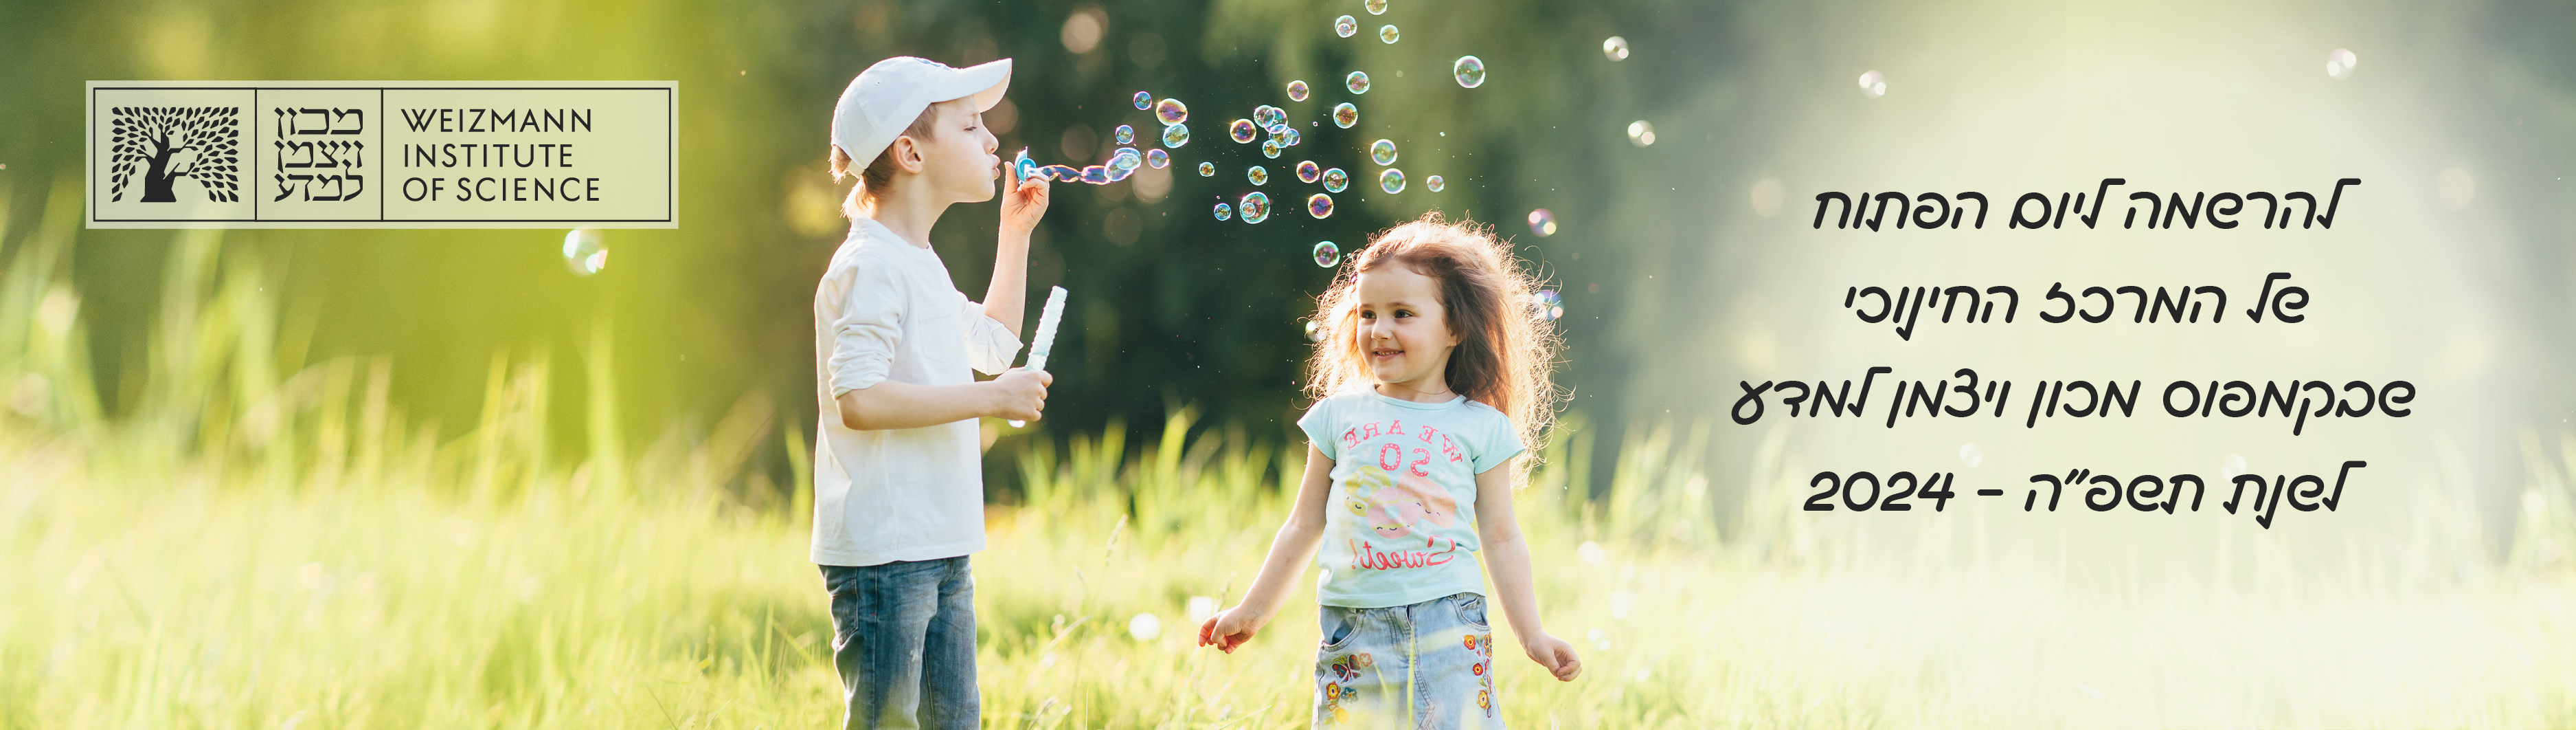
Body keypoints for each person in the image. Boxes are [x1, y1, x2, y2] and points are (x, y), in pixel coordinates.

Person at [1198, 213, 1581, 727]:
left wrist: (1531, 634)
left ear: (1455, 327)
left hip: (1450, 621)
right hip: (1353, 628)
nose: (1380, 330)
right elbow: (1304, 522)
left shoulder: (1482, 428)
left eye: (1402, 313)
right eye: (1367, 313)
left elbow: (1502, 535)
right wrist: (1252, 610)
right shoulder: (1337, 416)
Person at [811, 55, 1052, 730]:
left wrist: (1015, 234)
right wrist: (991, 400)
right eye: (972, 125)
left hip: (940, 541)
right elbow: (859, 399)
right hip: (887, 552)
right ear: (911, 151)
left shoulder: (916, 261)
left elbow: (993, 347)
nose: (993, 142)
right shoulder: (870, 265)